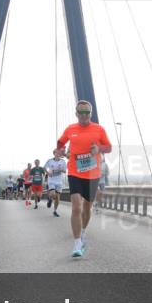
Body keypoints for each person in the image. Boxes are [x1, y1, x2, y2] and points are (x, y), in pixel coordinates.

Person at [56, 100, 112, 258]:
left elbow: (109, 147)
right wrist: (61, 150)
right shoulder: (70, 129)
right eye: (81, 112)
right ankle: (77, 243)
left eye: (87, 112)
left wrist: (99, 149)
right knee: (76, 208)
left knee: (87, 208)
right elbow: (60, 142)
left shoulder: (99, 129)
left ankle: (83, 231)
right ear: (76, 114)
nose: (84, 115)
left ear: (91, 114)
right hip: (75, 173)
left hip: (93, 175)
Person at [44, 148, 67, 217]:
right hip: (51, 180)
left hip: (59, 181)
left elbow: (65, 171)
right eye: (56, 152)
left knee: (57, 197)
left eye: (59, 153)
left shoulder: (63, 161)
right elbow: (44, 168)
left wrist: (61, 169)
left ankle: (55, 211)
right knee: (53, 194)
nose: (58, 154)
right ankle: (50, 199)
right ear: (54, 153)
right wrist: (48, 173)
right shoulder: (50, 161)